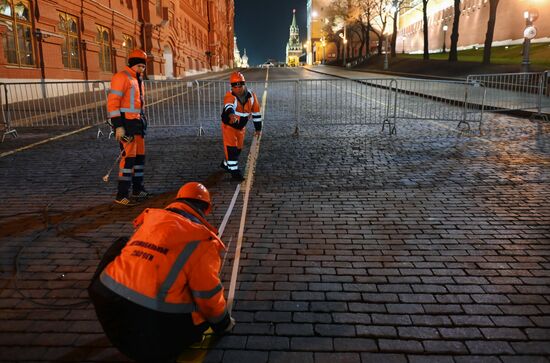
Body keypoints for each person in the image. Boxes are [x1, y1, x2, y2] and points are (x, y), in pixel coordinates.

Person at [88, 182, 235, 362]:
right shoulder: (203, 241)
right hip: (154, 337)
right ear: (207, 209)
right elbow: (208, 297)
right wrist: (223, 324)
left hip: (109, 314)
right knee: (200, 307)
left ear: (177, 201)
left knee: (123, 243)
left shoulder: (150, 220)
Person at [107, 49, 150, 206]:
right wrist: (118, 126)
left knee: (139, 158)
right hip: (126, 125)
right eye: (140, 66)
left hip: (138, 124)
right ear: (132, 64)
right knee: (128, 159)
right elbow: (113, 103)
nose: (142, 69)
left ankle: (138, 189)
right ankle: (122, 194)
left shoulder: (137, 78)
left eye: (144, 67)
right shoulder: (121, 77)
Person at [220, 71, 262, 181]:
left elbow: (256, 113)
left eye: (240, 84)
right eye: (235, 85)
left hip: (241, 128)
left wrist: (258, 129)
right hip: (229, 126)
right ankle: (235, 173)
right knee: (232, 150)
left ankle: (225, 163)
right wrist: (231, 114)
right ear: (231, 86)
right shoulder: (230, 95)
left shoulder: (252, 96)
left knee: (238, 149)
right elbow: (229, 105)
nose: (238, 87)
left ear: (244, 84)